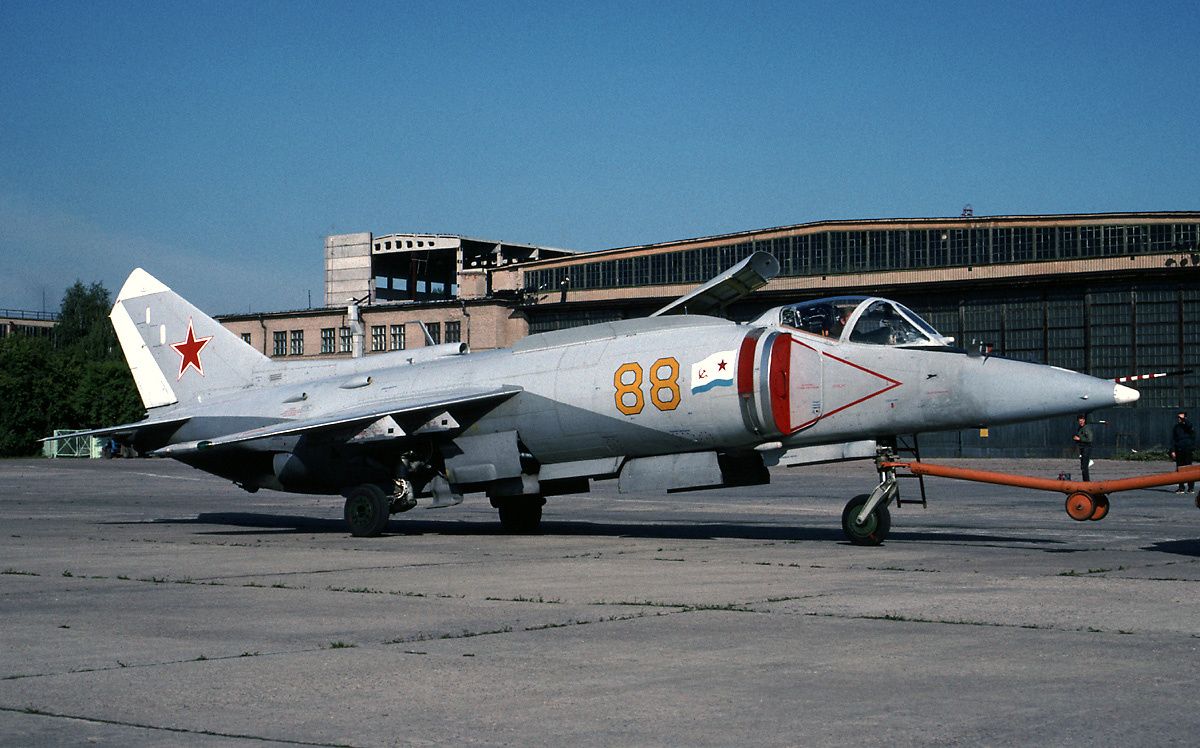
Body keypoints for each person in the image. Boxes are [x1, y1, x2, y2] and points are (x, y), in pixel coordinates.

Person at [1170, 411, 1196, 494]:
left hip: (1187, 450)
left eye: (1180, 417)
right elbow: (1173, 440)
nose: (1179, 419)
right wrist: (1173, 450)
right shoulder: (1176, 427)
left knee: (1189, 469)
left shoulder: (1189, 426)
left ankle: (1191, 488)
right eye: (1178, 417)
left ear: (1185, 418)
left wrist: (1184, 419)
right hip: (1179, 450)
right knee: (1180, 468)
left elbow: (1189, 427)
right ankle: (1181, 487)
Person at [1072, 415, 1093, 482]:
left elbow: (1090, 439)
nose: (1081, 422)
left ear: (1084, 420)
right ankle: (1085, 481)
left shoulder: (1086, 428)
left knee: (1084, 467)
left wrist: (1080, 438)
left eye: (1082, 420)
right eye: (1079, 421)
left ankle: (1086, 482)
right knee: (1083, 466)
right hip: (1082, 448)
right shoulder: (1080, 428)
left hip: (1086, 448)